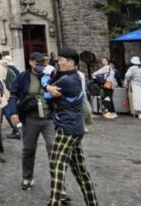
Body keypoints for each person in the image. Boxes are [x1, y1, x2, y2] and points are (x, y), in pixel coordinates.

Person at [45, 47, 98, 206]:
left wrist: (47, 86)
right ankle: (92, 202)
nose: (58, 62)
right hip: (74, 127)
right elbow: (50, 85)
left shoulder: (68, 81)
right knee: (80, 170)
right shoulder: (71, 76)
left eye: (61, 60)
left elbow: (47, 95)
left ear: (70, 62)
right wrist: (48, 85)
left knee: (56, 165)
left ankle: (54, 202)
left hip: (66, 128)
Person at [11, 51, 58, 192]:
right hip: (30, 118)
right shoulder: (22, 77)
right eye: (38, 62)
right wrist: (13, 112)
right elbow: (13, 95)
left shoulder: (51, 75)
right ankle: (27, 177)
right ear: (31, 62)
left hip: (48, 118)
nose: (42, 65)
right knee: (28, 149)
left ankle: (57, 183)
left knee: (53, 148)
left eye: (44, 62)